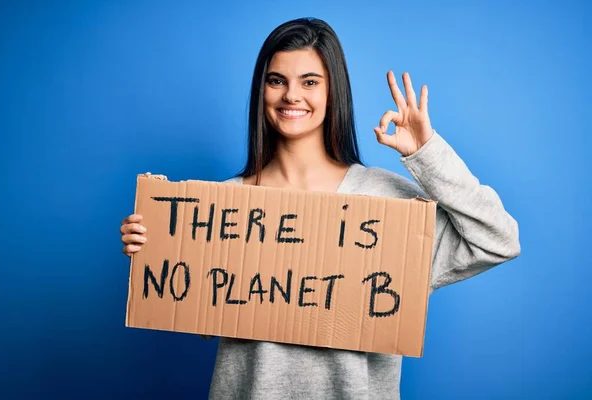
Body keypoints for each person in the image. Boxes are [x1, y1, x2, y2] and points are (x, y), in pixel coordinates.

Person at [120, 17, 520, 400]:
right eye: (277, 81)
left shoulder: (387, 202)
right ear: (262, 91)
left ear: (333, 92)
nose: (291, 95)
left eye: (309, 82)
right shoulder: (223, 207)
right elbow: (203, 315)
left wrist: (427, 155)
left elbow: (497, 240)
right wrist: (156, 245)